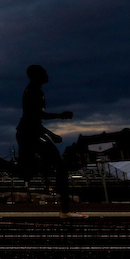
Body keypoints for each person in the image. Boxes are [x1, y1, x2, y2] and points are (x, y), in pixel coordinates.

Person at [16, 64, 76, 216]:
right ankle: (65, 210)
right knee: (60, 166)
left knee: (25, 173)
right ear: (37, 76)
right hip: (30, 134)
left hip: (29, 132)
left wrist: (51, 134)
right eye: (44, 73)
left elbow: (35, 119)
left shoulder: (35, 91)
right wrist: (60, 117)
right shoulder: (34, 92)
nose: (47, 75)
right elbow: (35, 117)